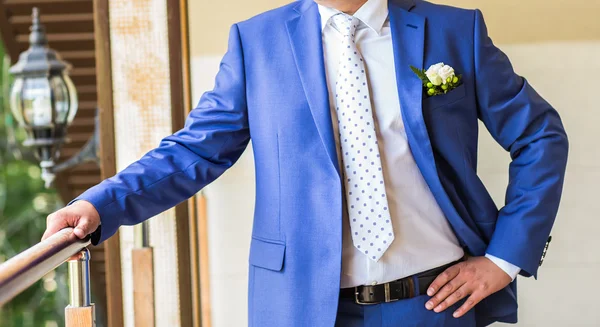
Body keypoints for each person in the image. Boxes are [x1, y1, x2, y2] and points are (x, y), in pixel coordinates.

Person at [43, 0, 568, 326]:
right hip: (302, 308)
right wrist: (99, 203)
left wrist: (503, 259)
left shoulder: (455, 32)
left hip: (434, 304)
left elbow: (541, 135)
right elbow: (195, 149)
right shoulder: (256, 42)